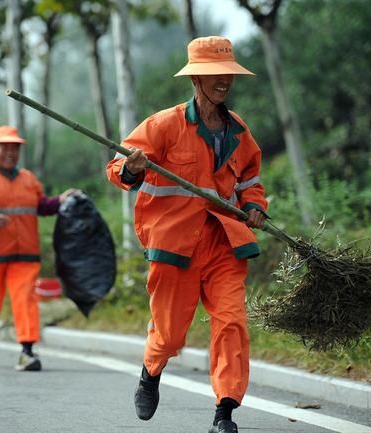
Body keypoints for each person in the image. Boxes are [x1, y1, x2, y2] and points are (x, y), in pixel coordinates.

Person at [106, 36, 267, 433]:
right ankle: (151, 370)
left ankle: (224, 412)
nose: (224, 81)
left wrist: (254, 206)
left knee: (231, 323)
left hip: (224, 244)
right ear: (195, 77)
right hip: (175, 245)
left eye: (228, 74)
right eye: (214, 74)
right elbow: (117, 170)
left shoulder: (240, 131)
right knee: (171, 333)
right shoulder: (163, 125)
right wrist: (134, 167)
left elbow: (252, 178)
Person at [0, 125, 75, 372]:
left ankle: (28, 352)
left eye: (15, 148)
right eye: (5, 147)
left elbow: (42, 207)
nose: (11, 152)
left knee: (25, 301)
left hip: (25, 254)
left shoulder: (28, 179)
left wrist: (61, 201)